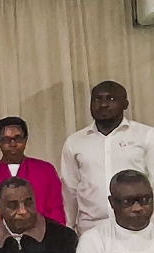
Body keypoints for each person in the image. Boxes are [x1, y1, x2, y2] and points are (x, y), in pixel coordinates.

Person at [61, 81, 154, 234]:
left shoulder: (146, 136)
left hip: (139, 227)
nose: (103, 104)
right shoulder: (74, 142)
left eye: (111, 99)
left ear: (125, 104)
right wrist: (69, 228)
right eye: (97, 99)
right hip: (91, 229)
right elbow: (69, 190)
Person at [0, 117, 65, 226]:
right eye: (7, 140)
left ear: (25, 139)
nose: (13, 144)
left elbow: (55, 209)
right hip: (0, 237)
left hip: (40, 235)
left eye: (17, 138)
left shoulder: (45, 170)